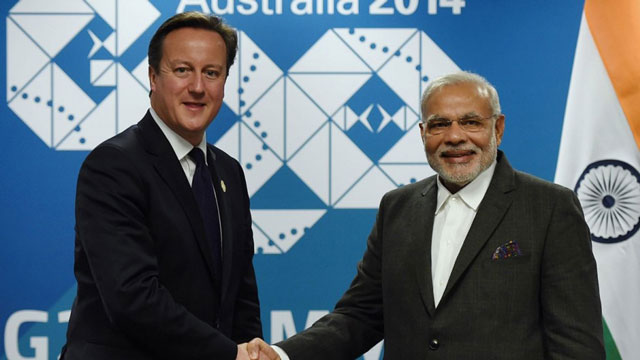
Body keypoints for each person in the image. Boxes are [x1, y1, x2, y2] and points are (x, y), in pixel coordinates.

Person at [249, 71, 605, 359]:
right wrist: (281, 356)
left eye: (470, 122)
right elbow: (361, 315)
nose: (454, 137)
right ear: (423, 134)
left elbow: (576, 345)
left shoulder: (550, 208)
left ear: (497, 128)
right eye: (439, 124)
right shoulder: (397, 207)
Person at [61, 12, 278, 360]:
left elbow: (240, 296)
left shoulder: (229, 172)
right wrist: (229, 355)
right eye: (182, 70)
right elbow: (132, 297)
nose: (197, 87)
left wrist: (249, 350)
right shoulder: (114, 165)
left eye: (212, 73)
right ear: (152, 77)